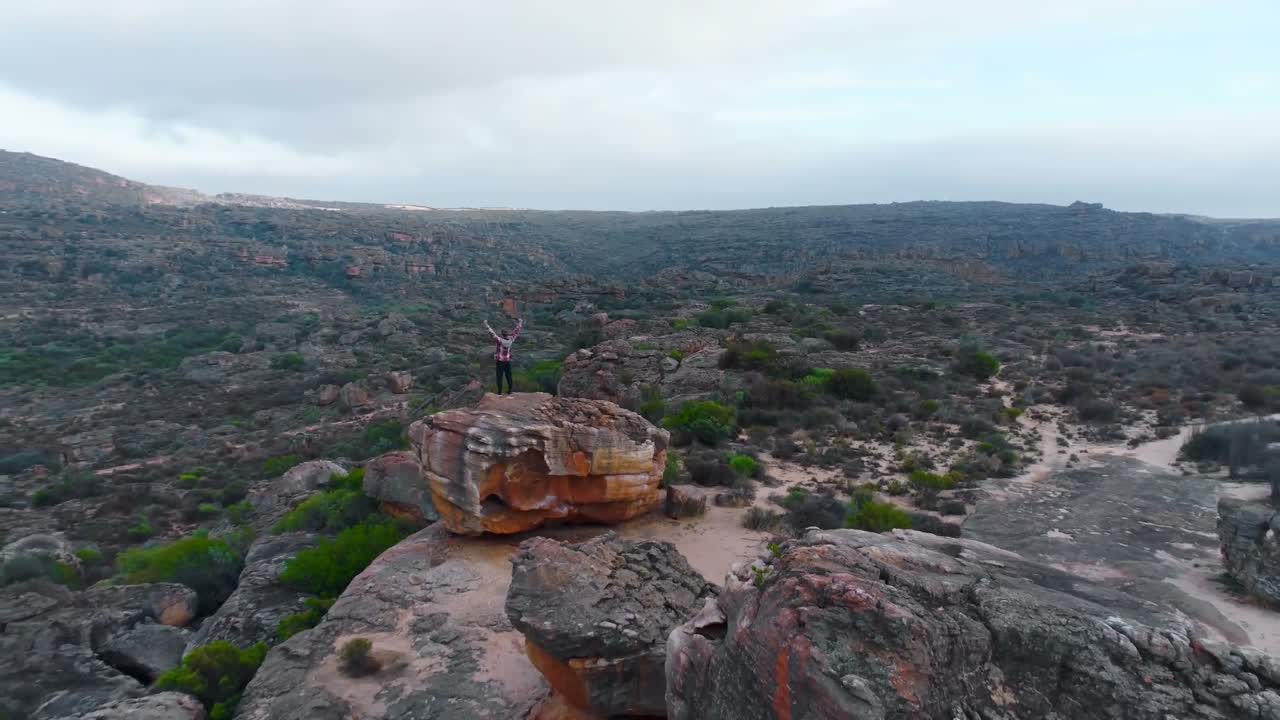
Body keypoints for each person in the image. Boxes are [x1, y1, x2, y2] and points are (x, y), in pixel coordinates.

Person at [484, 317, 523, 395]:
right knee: (509, 375)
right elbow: (516, 331)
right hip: (507, 361)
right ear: (508, 334)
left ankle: (499, 392)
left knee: (499, 376)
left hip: (500, 361)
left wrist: (486, 324)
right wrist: (520, 322)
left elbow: (492, 333)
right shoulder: (511, 339)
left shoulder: (500, 340)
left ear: (502, 334)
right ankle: (510, 390)